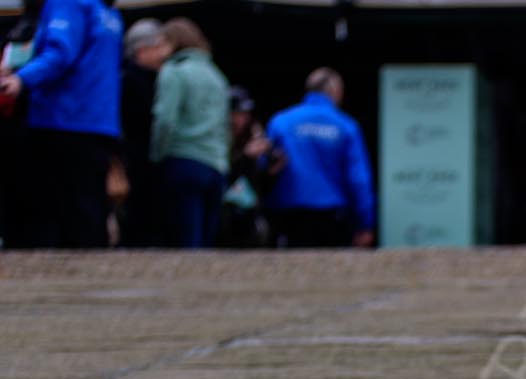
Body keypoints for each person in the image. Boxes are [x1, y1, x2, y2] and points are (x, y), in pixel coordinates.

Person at [0, 0, 122, 248]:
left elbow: (60, 52)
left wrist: (21, 79)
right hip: (98, 121)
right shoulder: (108, 12)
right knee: (88, 210)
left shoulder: (68, 3)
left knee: (48, 211)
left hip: (62, 119)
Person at [266, 67, 373, 248]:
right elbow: (358, 179)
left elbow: (264, 167)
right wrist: (365, 223)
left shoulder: (280, 122)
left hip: (290, 215)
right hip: (333, 217)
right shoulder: (346, 126)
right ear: (336, 92)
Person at [148, 18, 227, 248]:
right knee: (205, 239)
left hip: (183, 160)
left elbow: (165, 120)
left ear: (173, 42)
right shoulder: (216, 75)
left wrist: (157, 155)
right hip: (215, 164)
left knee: (184, 242)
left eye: (161, 42)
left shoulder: (173, 71)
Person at [117, 16, 168, 247]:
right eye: (158, 47)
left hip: (147, 161)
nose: (164, 54)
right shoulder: (129, 81)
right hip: (136, 162)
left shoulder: (155, 80)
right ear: (141, 50)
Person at [218, 86, 282, 247]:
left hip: (249, 212)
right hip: (224, 211)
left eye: (244, 114)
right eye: (236, 113)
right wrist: (245, 157)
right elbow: (224, 174)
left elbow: (259, 184)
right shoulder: (217, 138)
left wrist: (271, 171)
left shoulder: (252, 136)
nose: (240, 119)